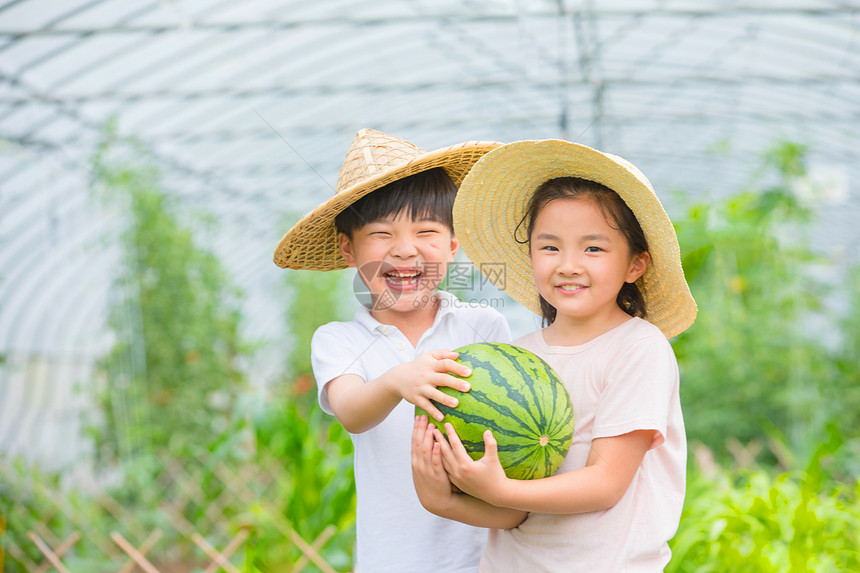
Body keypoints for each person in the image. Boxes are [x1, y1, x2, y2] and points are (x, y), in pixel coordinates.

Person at [411, 140, 698, 572]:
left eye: (593, 249)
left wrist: (501, 490)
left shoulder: (639, 348)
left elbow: (606, 483)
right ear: (530, 256)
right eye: (550, 247)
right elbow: (515, 514)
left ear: (635, 265)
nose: (568, 264)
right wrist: (443, 499)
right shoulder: (517, 356)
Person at [274, 128, 511, 573]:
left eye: (426, 232)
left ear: (452, 247)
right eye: (381, 234)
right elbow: (351, 411)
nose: (405, 250)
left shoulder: (483, 325)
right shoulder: (339, 339)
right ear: (349, 249)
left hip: (483, 557)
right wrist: (397, 381)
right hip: (393, 559)